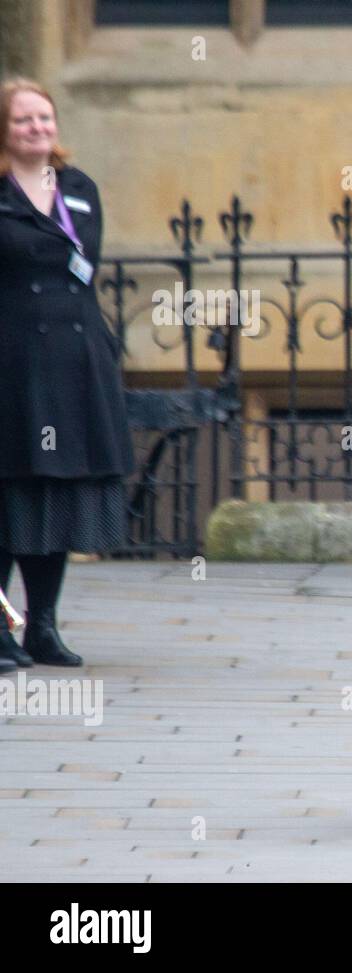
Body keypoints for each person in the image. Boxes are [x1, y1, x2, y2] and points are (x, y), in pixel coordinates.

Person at [0, 78, 134, 670]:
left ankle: (43, 626)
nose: (37, 128)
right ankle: (3, 626)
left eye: (44, 117)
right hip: (13, 360)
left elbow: (88, 262)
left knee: (55, 490)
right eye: (24, 119)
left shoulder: (79, 189)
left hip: (75, 361)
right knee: (11, 492)